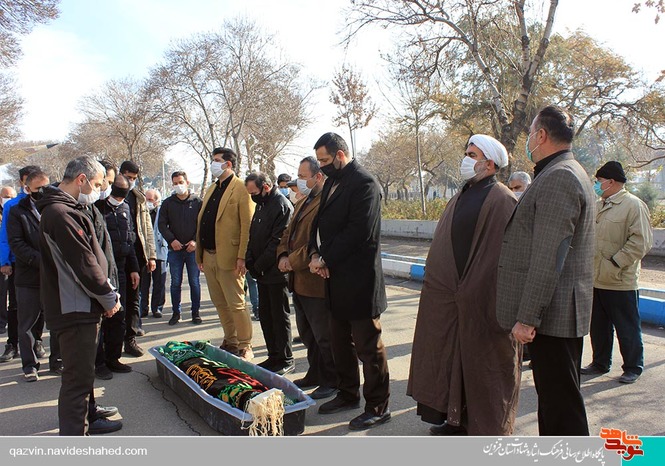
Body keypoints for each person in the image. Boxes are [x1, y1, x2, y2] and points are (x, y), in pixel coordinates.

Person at [408, 134, 520, 436]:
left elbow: (507, 255)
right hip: (451, 298)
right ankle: (456, 420)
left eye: (472, 155)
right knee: (453, 361)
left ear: (490, 163)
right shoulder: (461, 195)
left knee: (484, 367)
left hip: (484, 302)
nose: (466, 160)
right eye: (467, 153)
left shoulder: (502, 199)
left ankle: (487, 428)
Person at [496, 105, 595, 436]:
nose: (528, 141)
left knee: (561, 407)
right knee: (557, 402)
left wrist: (527, 318)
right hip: (557, 311)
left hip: (554, 315)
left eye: (530, 134)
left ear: (541, 135)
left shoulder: (559, 177)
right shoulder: (563, 171)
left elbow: (548, 255)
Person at [308, 132, 391, 431]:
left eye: (325, 160)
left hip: (359, 282)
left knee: (369, 348)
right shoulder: (332, 181)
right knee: (340, 343)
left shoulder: (364, 183)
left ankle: (378, 406)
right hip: (335, 279)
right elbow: (319, 225)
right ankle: (347, 394)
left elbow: (359, 232)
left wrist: (324, 258)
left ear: (340, 155)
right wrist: (314, 253)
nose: (321, 166)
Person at [37, 156, 123, 435]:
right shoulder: (61, 213)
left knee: (82, 377)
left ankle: (87, 421)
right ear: (81, 179)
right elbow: (84, 264)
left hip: (78, 306)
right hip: (75, 309)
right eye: (97, 185)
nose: (99, 191)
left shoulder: (65, 209)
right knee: (77, 383)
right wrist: (108, 298)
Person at [581, 161, 653, 384]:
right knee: (599, 326)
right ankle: (600, 362)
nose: (596, 185)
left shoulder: (633, 206)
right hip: (596, 278)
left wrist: (615, 262)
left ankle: (633, 367)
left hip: (620, 280)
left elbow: (641, 242)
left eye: (599, 181)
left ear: (611, 182)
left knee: (627, 326)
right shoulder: (599, 205)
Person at [277, 156, 337, 399]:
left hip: (315, 280)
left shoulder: (326, 202)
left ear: (318, 176)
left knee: (324, 336)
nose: (299, 181)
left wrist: (292, 260)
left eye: (303, 176)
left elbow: (317, 242)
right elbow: (288, 233)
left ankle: (332, 379)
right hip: (298, 280)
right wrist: (282, 254)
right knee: (307, 333)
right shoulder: (303, 201)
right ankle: (315, 373)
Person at [196, 148, 255, 360]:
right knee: (220, 302)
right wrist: (200, 255)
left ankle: (245, 345)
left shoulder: (240, 188)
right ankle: (231, 340)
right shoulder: (212, 188)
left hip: (231, 257)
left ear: (228, 164)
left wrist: (242, 256)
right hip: (209, 255)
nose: (213, 163)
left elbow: (247, 225)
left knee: (237, 304)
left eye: (217, 160)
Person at [7, 169, 62, 380]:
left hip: (54, 276)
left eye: (46, 187)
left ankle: (57, 361)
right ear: (27, 189)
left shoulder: (55, 209)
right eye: (38, 188)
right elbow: (16, 244)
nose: (43, 192)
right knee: (27, 324)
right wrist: (43, 261)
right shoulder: (17, 212)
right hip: (29, 277)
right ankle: (29, 365)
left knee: (56, 321)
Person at [245, 172, 294, 374]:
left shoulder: (281, 205)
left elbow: (278, 242)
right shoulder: (262, 204)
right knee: (266, 316)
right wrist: (249, 259)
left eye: (254, 192)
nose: (252, 197)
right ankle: (273, 355)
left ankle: (285, 358)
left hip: (275, 272)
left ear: (265, 187)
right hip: (261, 272)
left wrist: (258, 265)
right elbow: (253, 235)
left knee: (279, 316)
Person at [94, 174, 140, 375]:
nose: (119, 199)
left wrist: (134, 268)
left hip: (121, 268)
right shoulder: (97, 208)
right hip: (102, 269)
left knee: (119, 315)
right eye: (117, 194)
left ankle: (113, 358)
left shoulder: (126, 208)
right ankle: (99, 363)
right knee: (102, 317)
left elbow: (130, 240)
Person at [0, 166, 44, 363]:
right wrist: (5, 261)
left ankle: (38, 341)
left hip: (40, 263)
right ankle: (13, 344)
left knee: (41, 307)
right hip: (19, 263)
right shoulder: (13, 206)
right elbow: (6, 237)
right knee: (17, 307)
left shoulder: (45, 203)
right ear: (22, 183)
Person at [119, 161, 156, 357]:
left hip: (137, 254)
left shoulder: (138, 198)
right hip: (116, 256)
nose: (131, 181)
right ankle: (113, 341)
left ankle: (130, 338)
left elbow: (147, 228)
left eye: (134, 178)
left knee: (134, 300)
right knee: (117, 300)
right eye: (128, 177)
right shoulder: (109, 196)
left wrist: (151, 255)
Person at [158, 171, 203, 325]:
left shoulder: (197, 202)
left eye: (181, 182)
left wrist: (195, 241)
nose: (178, 185)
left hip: (192, 250)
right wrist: (171, 240)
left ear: (187, 182)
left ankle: (195, 313)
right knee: (175, 283)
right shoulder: (168, 203)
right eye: (175, 183)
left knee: (194, 282)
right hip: (175, 250)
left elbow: (203, 224)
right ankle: (176, 313)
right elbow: (162, 225)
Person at [140, 189, 167, 319]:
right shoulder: (141, 212)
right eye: (146, 199)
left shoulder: (162, 213)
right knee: (144, 283)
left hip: (160, 251)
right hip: (144, 253)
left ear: (156, 201)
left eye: (150, 200)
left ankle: (157, 308)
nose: (148, 202)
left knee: (159, 282)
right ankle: (143, 308)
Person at [0, 186, 17, 336]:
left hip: (11, 258)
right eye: (6, 196)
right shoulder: (6, 210)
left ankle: (3, 322)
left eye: (11, 196)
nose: (8, 199)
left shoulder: (15, 209)